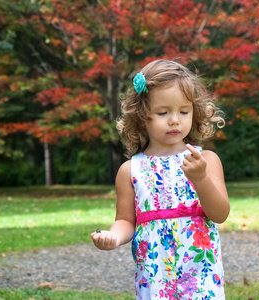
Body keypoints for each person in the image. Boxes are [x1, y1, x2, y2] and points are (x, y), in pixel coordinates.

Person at [90, 59, 229, 299]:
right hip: (154, 273)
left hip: (200, 270)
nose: (175, 119)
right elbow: (125, 220)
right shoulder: (130, 170)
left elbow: (220, 214)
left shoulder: (205, 160)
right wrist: (114, 237)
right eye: (163, 112)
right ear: (142, 116)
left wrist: (201, 179)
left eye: (184, 111)